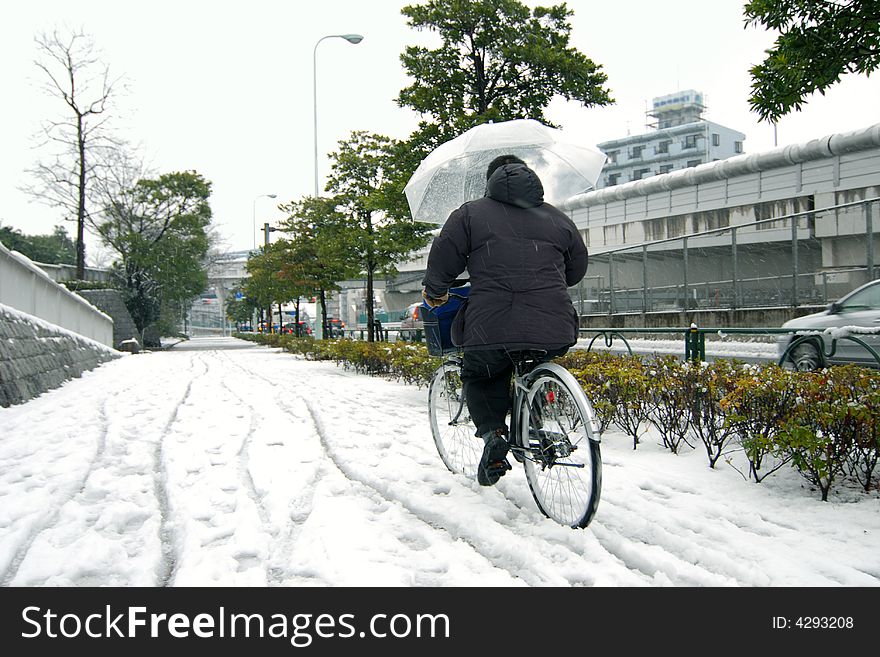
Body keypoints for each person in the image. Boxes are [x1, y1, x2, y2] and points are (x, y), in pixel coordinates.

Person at [422, 154, 588, 486]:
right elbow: (576, 270)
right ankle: (532, 422)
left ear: (490, 181)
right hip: (553, 324)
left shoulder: (470, 214)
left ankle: (494, 433)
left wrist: (436, 291)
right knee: (531, 364)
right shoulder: (557, 218)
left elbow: (444, 258)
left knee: (481, 374)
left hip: (491, 324)